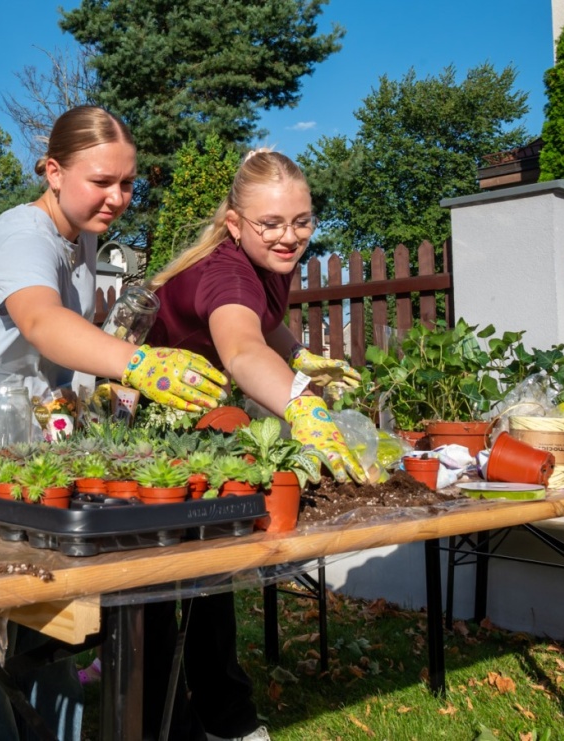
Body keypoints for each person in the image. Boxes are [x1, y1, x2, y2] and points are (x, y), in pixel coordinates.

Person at [0, 105, 227, 740]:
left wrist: (101, 388)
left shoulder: (81, 236)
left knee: (46, 613)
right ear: (53, 171)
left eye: (127, 183)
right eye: (102, 182)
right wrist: (137, 363)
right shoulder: (23, 238)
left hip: (28, 445)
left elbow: (62, 347)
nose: (117, 197)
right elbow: (42, 322)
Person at [141, 149, 366, 741]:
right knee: (156, 584)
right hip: (147, 427)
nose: (290, 236)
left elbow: (261, 322)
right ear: (235, 224)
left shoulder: (267, 259)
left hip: (196, 423)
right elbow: (241, 350)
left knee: (209, 574)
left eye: (302, 220)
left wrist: (297, 354)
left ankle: (222, 715)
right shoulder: (228, 272)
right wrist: (301, 403)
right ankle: (168, 721)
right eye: (271, 223)